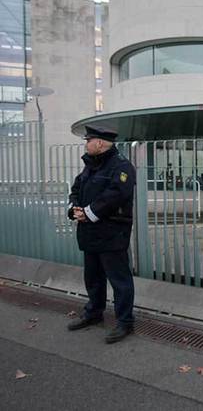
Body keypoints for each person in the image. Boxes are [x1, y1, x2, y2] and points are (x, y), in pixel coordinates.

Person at [66, 125, 137, 344]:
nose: (86, 144)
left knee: (119, 281)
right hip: (90, 233)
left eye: (88, 140)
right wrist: (74, 208)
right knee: (93, 278)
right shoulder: (90, 167)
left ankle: (125, 322)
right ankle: (94, 313)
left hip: (112, 234)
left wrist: (89, 212)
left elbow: (116, 194)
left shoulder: (121, 167)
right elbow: (76, 189)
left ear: (98, 143)